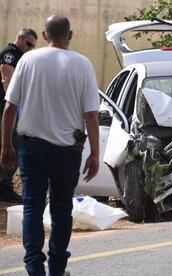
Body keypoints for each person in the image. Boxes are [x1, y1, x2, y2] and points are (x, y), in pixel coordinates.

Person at [0, 15, 100, 275]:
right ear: (71, 35)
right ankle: (57, 267)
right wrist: (96, 154)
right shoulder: (83, 64)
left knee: (33, 207)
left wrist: (6, 146)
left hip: (32, 149)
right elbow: (91, 114)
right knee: (61, 209)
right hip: (68, 151)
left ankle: (34, 268)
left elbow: (10, 107)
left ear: (44, 36)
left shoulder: (28, 60)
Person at [0, 28, 38, 203]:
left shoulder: (22, 56)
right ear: (20, 38)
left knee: (14, 142)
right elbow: (7, 79)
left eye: (33, 46)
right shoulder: (10, 54)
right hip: (7, 107)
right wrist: (16, 105)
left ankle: (4, 184)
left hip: (12, 107)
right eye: (28, 44)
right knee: (12, 143)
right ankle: (4, 185)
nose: (29, 48)